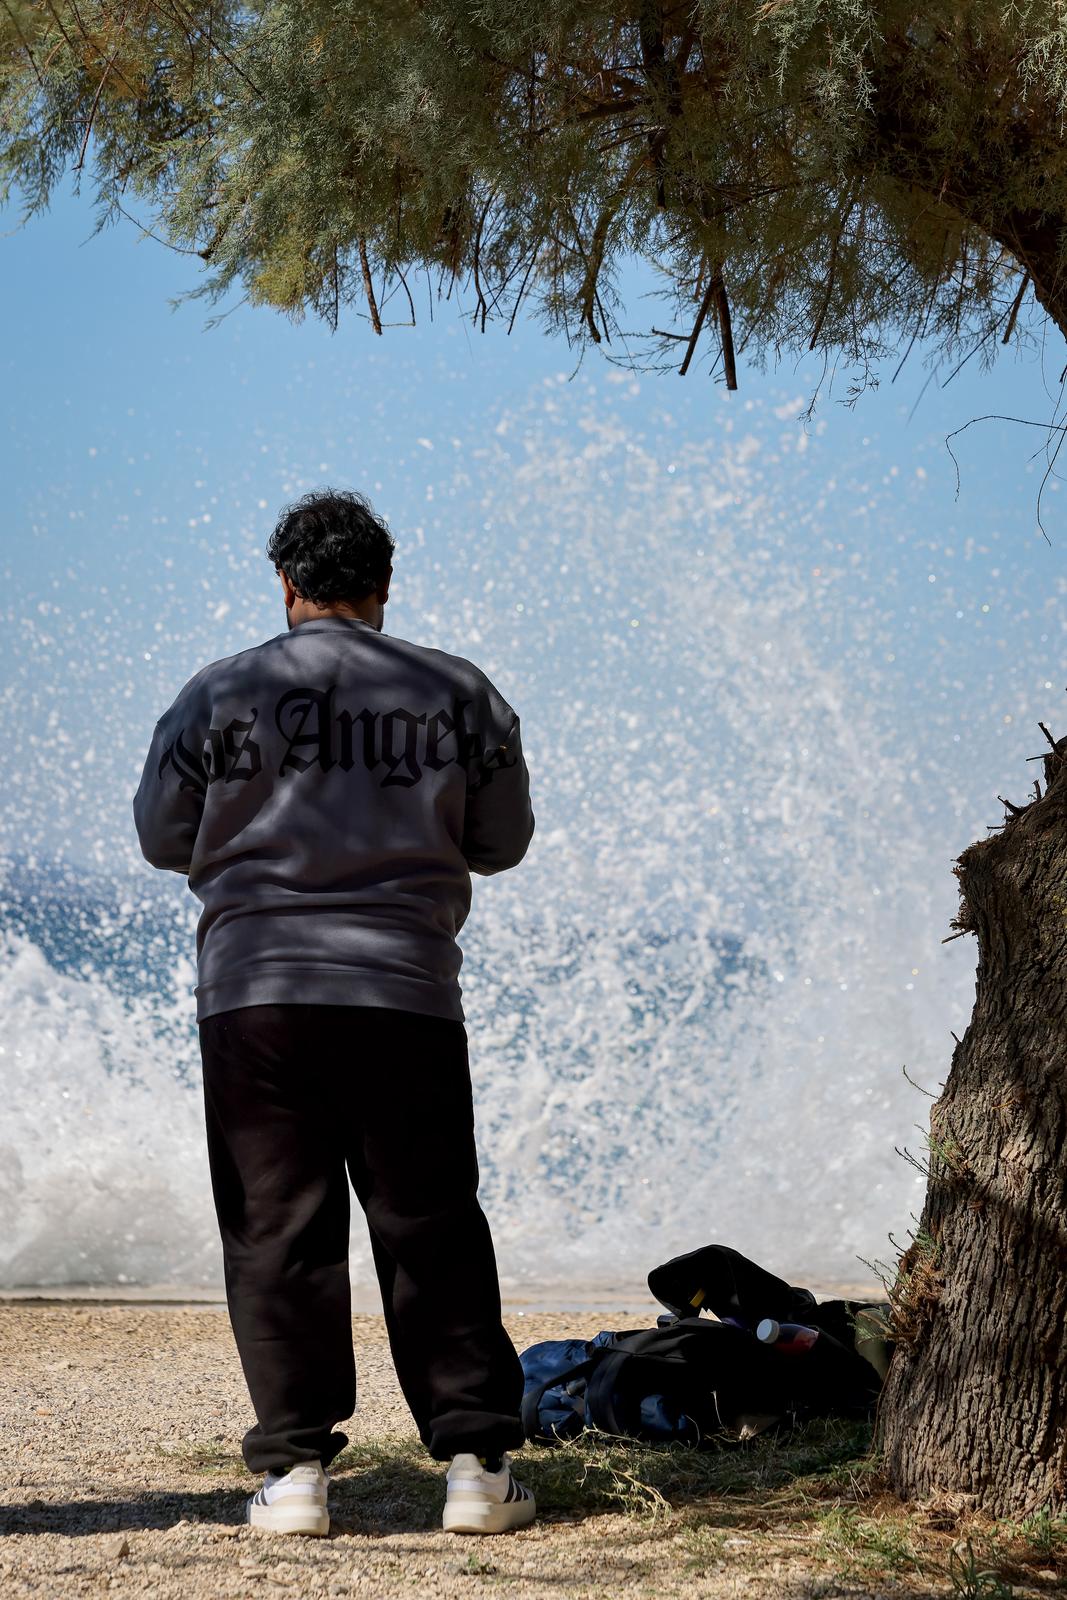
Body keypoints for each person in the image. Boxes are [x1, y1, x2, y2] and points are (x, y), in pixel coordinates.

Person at [132, 488, 537, 1538]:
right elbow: (500, 842)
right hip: (403, 992)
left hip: (254, 995)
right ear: (384, 586)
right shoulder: (461, 693)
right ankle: (475, 1467)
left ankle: (298, 1473)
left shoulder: (217, 692)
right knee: (429, 1224)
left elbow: (160, 836)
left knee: (276, 1231)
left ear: (285, 585)